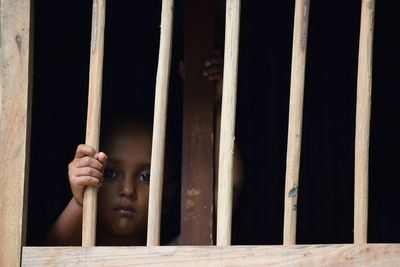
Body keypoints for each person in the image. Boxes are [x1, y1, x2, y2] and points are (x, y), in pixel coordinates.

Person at [47, 52, 243, 246]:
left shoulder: (173, 259)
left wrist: (219, 106)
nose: (127, 191)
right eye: (110, 173)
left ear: (167, 194)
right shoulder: (72, 257)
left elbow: (228, 188)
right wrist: (80, 201)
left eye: (146, 177)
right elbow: (52, 252)